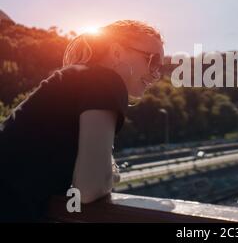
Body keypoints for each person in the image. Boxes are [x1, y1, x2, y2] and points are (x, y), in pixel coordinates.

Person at [0, 20, 164, 222]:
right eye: (153, 60)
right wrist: (109, 176)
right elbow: (89, 189)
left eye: (160, 67)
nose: (157, 73)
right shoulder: (106, 81)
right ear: (117, 53)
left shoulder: (80, 79)